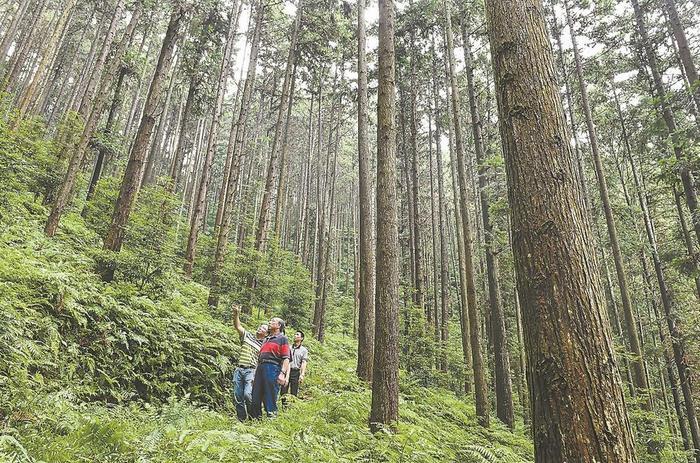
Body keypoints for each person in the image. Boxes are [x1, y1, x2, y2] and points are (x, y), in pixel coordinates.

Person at [231, 305, 268, 421]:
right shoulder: (248, 336)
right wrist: (236, 313)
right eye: (260, 327)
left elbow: (261, 361)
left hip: (251, 371)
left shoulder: (264, 345)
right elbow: (238, 326)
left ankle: (253, 417)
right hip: (239, 369)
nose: (260, 329)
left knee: (248, 394)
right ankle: (241, 419)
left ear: (266, 334)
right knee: (238, 396)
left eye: (263, 329)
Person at [250, 317, 290, 418]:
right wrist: (255, 372)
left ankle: (271, 418)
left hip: (272, 367)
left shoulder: (282, 339)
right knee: (255, 396)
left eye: (273, 321)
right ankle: (256, 420)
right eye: (270, 321)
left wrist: (282, 373)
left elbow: (286, 358)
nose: (270, 322)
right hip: (260, 367)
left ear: (279, 326)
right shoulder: (266, 339)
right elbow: (260, 357)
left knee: (270, 395)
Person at [281, 331, 308, 398]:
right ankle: (284, 407)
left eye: (297, 334)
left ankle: (292, 407)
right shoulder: (289, 347)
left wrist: (302, 374)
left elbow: (304, 362)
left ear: (301, 338)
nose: (295, 336)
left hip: (295, 372)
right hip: (286, 371)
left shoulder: (303, 350)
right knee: (283, 390)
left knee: (294, 391)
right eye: (295, 334)